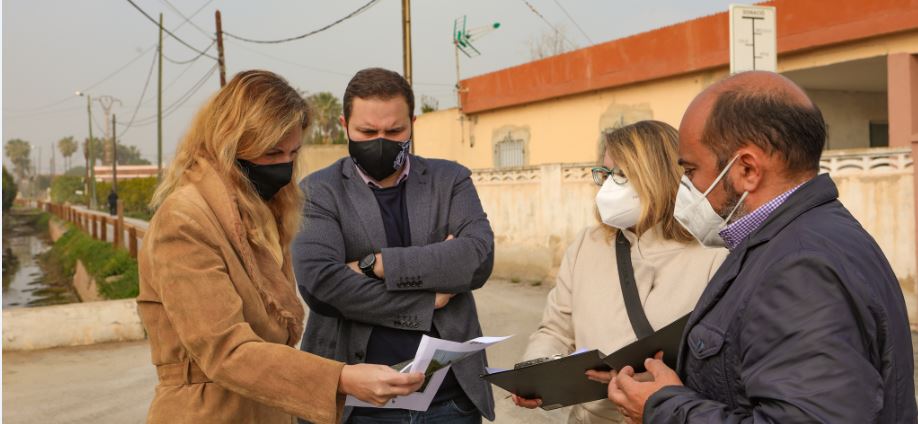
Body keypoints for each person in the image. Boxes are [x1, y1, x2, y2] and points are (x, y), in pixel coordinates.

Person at [608, 71, 918, 423]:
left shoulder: (800, 268)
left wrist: (663, 408)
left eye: (691, 170)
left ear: (747, 169)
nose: (686, 187)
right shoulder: (804, 236)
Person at [136, 70, 424, 424]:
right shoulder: (185, 221)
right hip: (208, 412)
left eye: (292, 152)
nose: (284, 166)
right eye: (272, 152)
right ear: (231, 144)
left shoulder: (262, 213)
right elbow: (226, 350)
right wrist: (342, 378)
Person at [293, 67, 496, 423]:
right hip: (359, 405)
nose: (381, 141)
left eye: (394, 130)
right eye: (367, 132)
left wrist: (374, 264)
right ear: (345, 125)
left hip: (450, 401)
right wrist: (426, 298)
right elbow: (322, 286)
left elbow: (477, 260)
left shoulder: (450, 179)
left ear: (412, 123)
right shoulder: (318, 192)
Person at [511, 121, 727, 423]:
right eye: (605, 174)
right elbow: (557, 329)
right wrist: (535, 373)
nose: (608, 186)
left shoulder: (713, 257)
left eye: (622, 175)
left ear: (658, 176)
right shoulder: (589, 244)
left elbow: (721, 365)